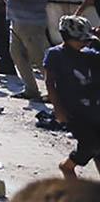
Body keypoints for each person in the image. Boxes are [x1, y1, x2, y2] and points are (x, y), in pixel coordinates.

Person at [44, 15, 100, 180]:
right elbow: (50, 82)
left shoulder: (90, 55)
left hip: (95, 108)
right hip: (74, 110)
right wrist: (58, 109)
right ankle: (68, 166)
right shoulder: (56, 55)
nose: (84, 43)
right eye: (80, 40)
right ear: (66, 38)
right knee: (89, 144)